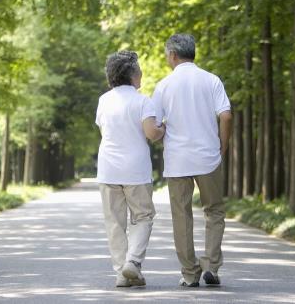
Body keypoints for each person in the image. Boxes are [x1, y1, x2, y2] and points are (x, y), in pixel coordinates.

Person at [152, 34, 232, 287]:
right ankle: (211, 266)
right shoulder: (212, 80)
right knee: (214, 211)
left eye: (167, 55)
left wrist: (163, 130)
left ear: (173, 55)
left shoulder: (164, 85)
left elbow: (154, 126)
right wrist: (223, 146)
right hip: (208, 156)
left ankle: (190, 273)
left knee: (182, 215)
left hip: (177, 160)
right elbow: (226, 116)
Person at [96, 50, 165, 287]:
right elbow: (151, 133)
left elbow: (104, 130)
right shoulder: (142, 100)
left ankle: (120, 273)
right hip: (135, 170)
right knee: (143, 217)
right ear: (133, 74)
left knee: (114, 222)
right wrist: (163, 128)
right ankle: (133, 262)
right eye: (139, 69)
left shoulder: (104, 100)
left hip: (108, 169)